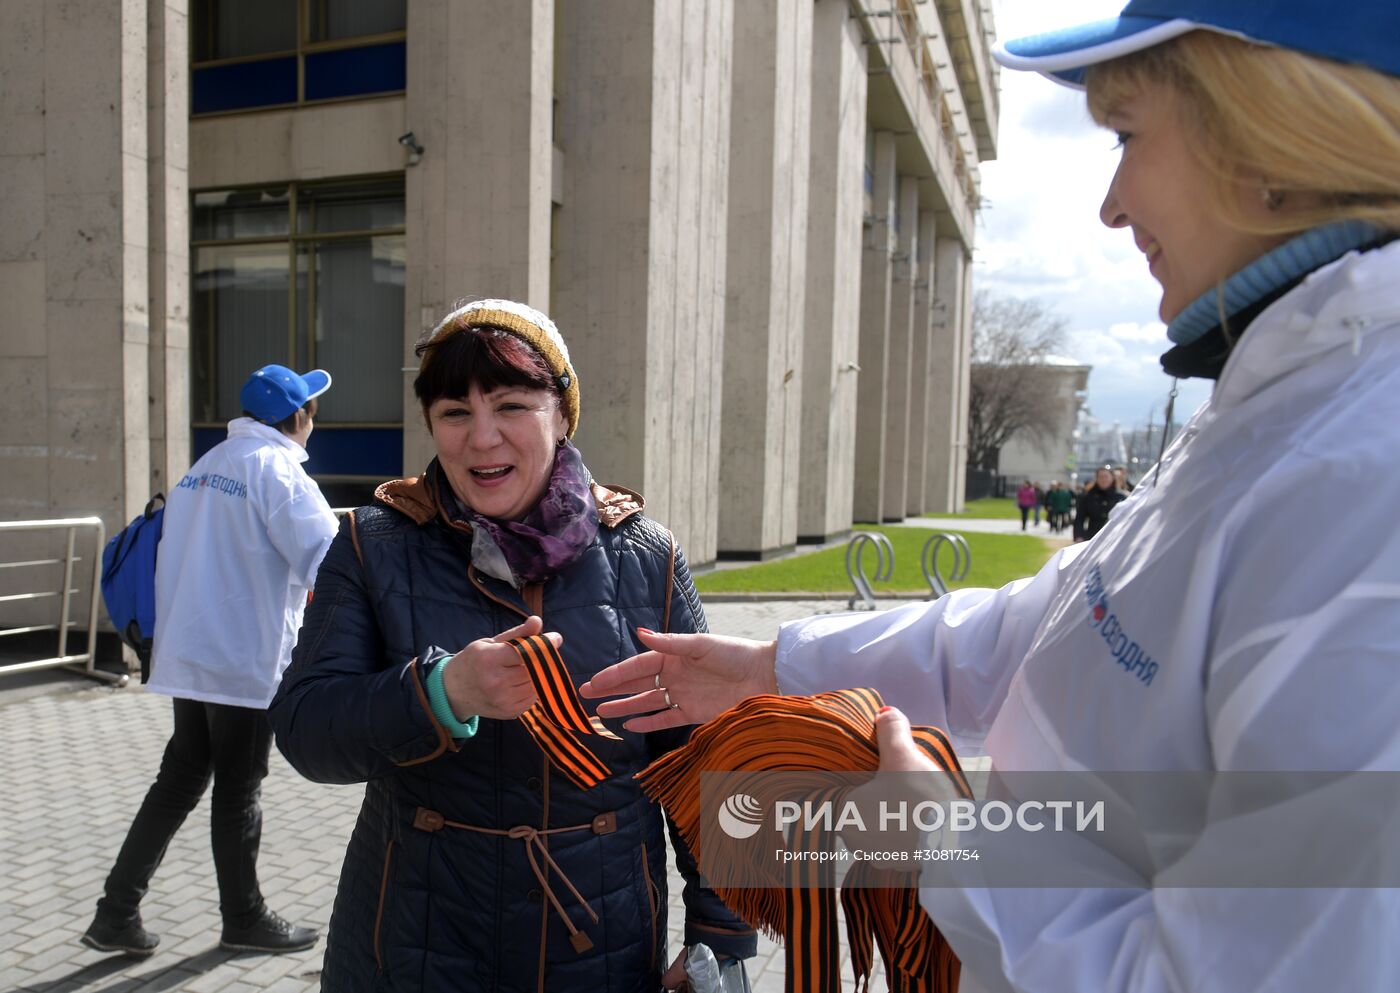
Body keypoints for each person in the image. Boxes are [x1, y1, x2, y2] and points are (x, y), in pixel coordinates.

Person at [581, 3, 1400, 990]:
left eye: (1127, 136)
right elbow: (1065, 618)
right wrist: (774, 664)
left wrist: (944, 841)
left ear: (1271, 135)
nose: (1110, 201)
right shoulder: (1279, 404)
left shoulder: (1361, 490)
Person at [267, 299, 755, 992]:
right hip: (412, 939)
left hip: (602, 941)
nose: (482, 437)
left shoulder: (647, 553)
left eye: (512, 405)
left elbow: (715, 760)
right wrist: (442, 692)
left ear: (561, 412)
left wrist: (723, 932)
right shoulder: (372, 544)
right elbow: (306, 729)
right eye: (455, 413)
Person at [82, 365, 339, 958]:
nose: (313, 423)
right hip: (244, 663)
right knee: (238, 790)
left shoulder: (206, 467)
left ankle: (115, 911)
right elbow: (329, 565)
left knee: (178, 781)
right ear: (296, 418)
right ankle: (243, 918)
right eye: (312, 412)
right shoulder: (279, 472)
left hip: (189, 656)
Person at [1072, 464, 1127, 542]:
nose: (1103, 480)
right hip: (1092, 538)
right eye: (1100, 477)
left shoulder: (1121, 497)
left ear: (1112, 478)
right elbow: (1079, 519)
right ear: (1096, 479)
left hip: (1115, 539)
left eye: (1106, 477)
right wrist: (1079, 536)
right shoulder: (1088, 497)